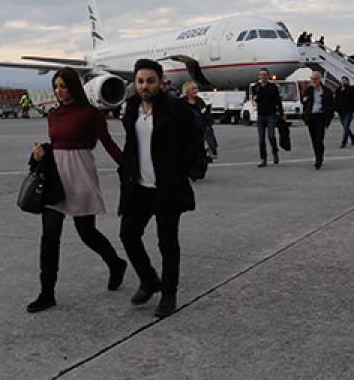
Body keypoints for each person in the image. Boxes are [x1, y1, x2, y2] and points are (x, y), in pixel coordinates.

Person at [27, 68, 127, 313]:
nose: (59, 91)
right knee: (49, 237)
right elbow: (58, 144)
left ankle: (115, 263)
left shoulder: (90, 114)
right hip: (55, 179)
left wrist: (128, 168)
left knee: (87, 233)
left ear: (73, 86)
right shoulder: (53, 114)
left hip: (80, 175)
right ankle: (47, 293)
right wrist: (41, 153)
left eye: (63, 86)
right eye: (56, 86)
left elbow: (108, 143)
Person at [118, 59, 200, 318]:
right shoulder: (132, 108)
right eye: (140, 81)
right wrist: (125, 171)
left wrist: (184, 171)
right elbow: (131, 145)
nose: (145, 86)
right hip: (139, 187)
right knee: (128, 235)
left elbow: (193, 140)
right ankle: (149, 279)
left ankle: (168, 294)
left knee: (167, 243)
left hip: (167, 188)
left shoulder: (175, 108)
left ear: (161, 82)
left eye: (150, 81)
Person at [301, 71, 334, 169]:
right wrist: (305, 114)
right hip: (311, 117)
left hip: (321, 117)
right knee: (314, 140)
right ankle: (317, 156)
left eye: (315, 79)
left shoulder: (326, 91)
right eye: (312, 79)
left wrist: (328, 118)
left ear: (320, 79)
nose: (314, 81)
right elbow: (304, 102)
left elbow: (331, 106)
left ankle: (319, 159)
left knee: (319, 139)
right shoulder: (309, 90)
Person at [253, 67, 283, 167]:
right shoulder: (257, 87)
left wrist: (281, 113)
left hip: (271, 115)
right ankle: (263, 159)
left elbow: (278, 100)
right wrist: (254, 99)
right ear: (259, 76)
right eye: (261, 75)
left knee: (271, 136)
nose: (263, 76)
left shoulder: (273, 87)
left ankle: (275, 152)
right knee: (261, 139)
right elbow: (254, 99)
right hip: (261, 115)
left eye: (264, 75)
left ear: (268, 76)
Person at [182, 80, 215, 164]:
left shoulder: (199, 101)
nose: (195, 91)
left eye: (196, 89)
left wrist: (208, 111)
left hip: (200, 131)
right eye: (193, 89)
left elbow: (205, 115)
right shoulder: (182, 102)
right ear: (187, 91)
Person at [333, 76, 354, 148]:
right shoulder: (338, 89)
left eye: (344, 81)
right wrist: (335, 108)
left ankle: (344, 142)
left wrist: (344, 90)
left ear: (348, 81)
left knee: (346, 125)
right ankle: (352, 137)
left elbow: (352, 97)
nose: (343, 82)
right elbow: (336, 99)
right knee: (345, 127)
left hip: (349, 111)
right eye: (342, 81)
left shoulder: (351, 88)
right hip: (341, 111)